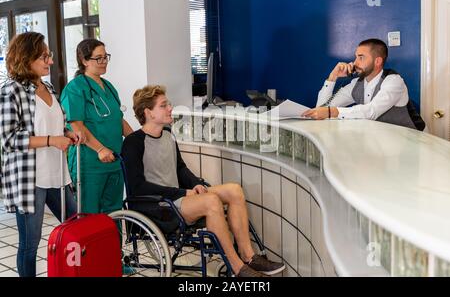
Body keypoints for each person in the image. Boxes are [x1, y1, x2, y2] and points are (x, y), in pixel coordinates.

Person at [121, 85, 286, 278]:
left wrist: (195, 183)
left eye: (168, 104)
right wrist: (183, 193)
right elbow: (138, 187)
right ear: (148, 112)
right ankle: (237, 268)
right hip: (157, 207)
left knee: (234, 190)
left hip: (175, 199)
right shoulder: (133, 143)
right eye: (163, 105)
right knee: (211, 202)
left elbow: (180, 168)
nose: (170, 108)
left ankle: (248, 256)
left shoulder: (167, 135)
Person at [0, 32, 81, 277]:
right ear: (27, 58)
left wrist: (68, 131)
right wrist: (51, 140)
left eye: (50, 55)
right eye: (44, 56)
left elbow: (55, 124)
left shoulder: (47, 86)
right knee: (29, 245)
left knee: (76, 227)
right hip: (30, 180)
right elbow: (8, 139)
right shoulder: (10, 91)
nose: (50, 61)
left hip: (58, 174)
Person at [60, 39, 133, 214]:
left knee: (114, 212)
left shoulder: (108, 86)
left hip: (115, 160)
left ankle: (114, 243)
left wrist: (136, 141)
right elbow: (76, 125)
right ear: (84, 61)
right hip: (90, 163)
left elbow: (118, 119)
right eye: (98, 58)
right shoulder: (75, 88)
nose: (103, 62)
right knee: (89, 214)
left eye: (105, 57)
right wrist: (100, 149)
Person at [303, 38, 424, 130]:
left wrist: (332, 112)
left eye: (361, 57)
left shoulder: (393, 81)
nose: (355, 62)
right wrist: (332, 77)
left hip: (414, 140)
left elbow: (371, 111)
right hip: (383, 143)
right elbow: (321, 108)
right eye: (356, 57)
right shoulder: (356, 83)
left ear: (377, 61)